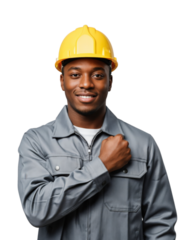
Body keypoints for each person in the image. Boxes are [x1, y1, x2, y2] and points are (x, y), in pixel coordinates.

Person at [16, 23, 178, 239]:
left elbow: (161, 225)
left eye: (98, 75)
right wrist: (102, 166)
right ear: (61, 81)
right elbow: (35, 211)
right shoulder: (36, 141)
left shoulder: (143, 143)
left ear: (110, 82)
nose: (86, 84)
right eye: (75, 75)